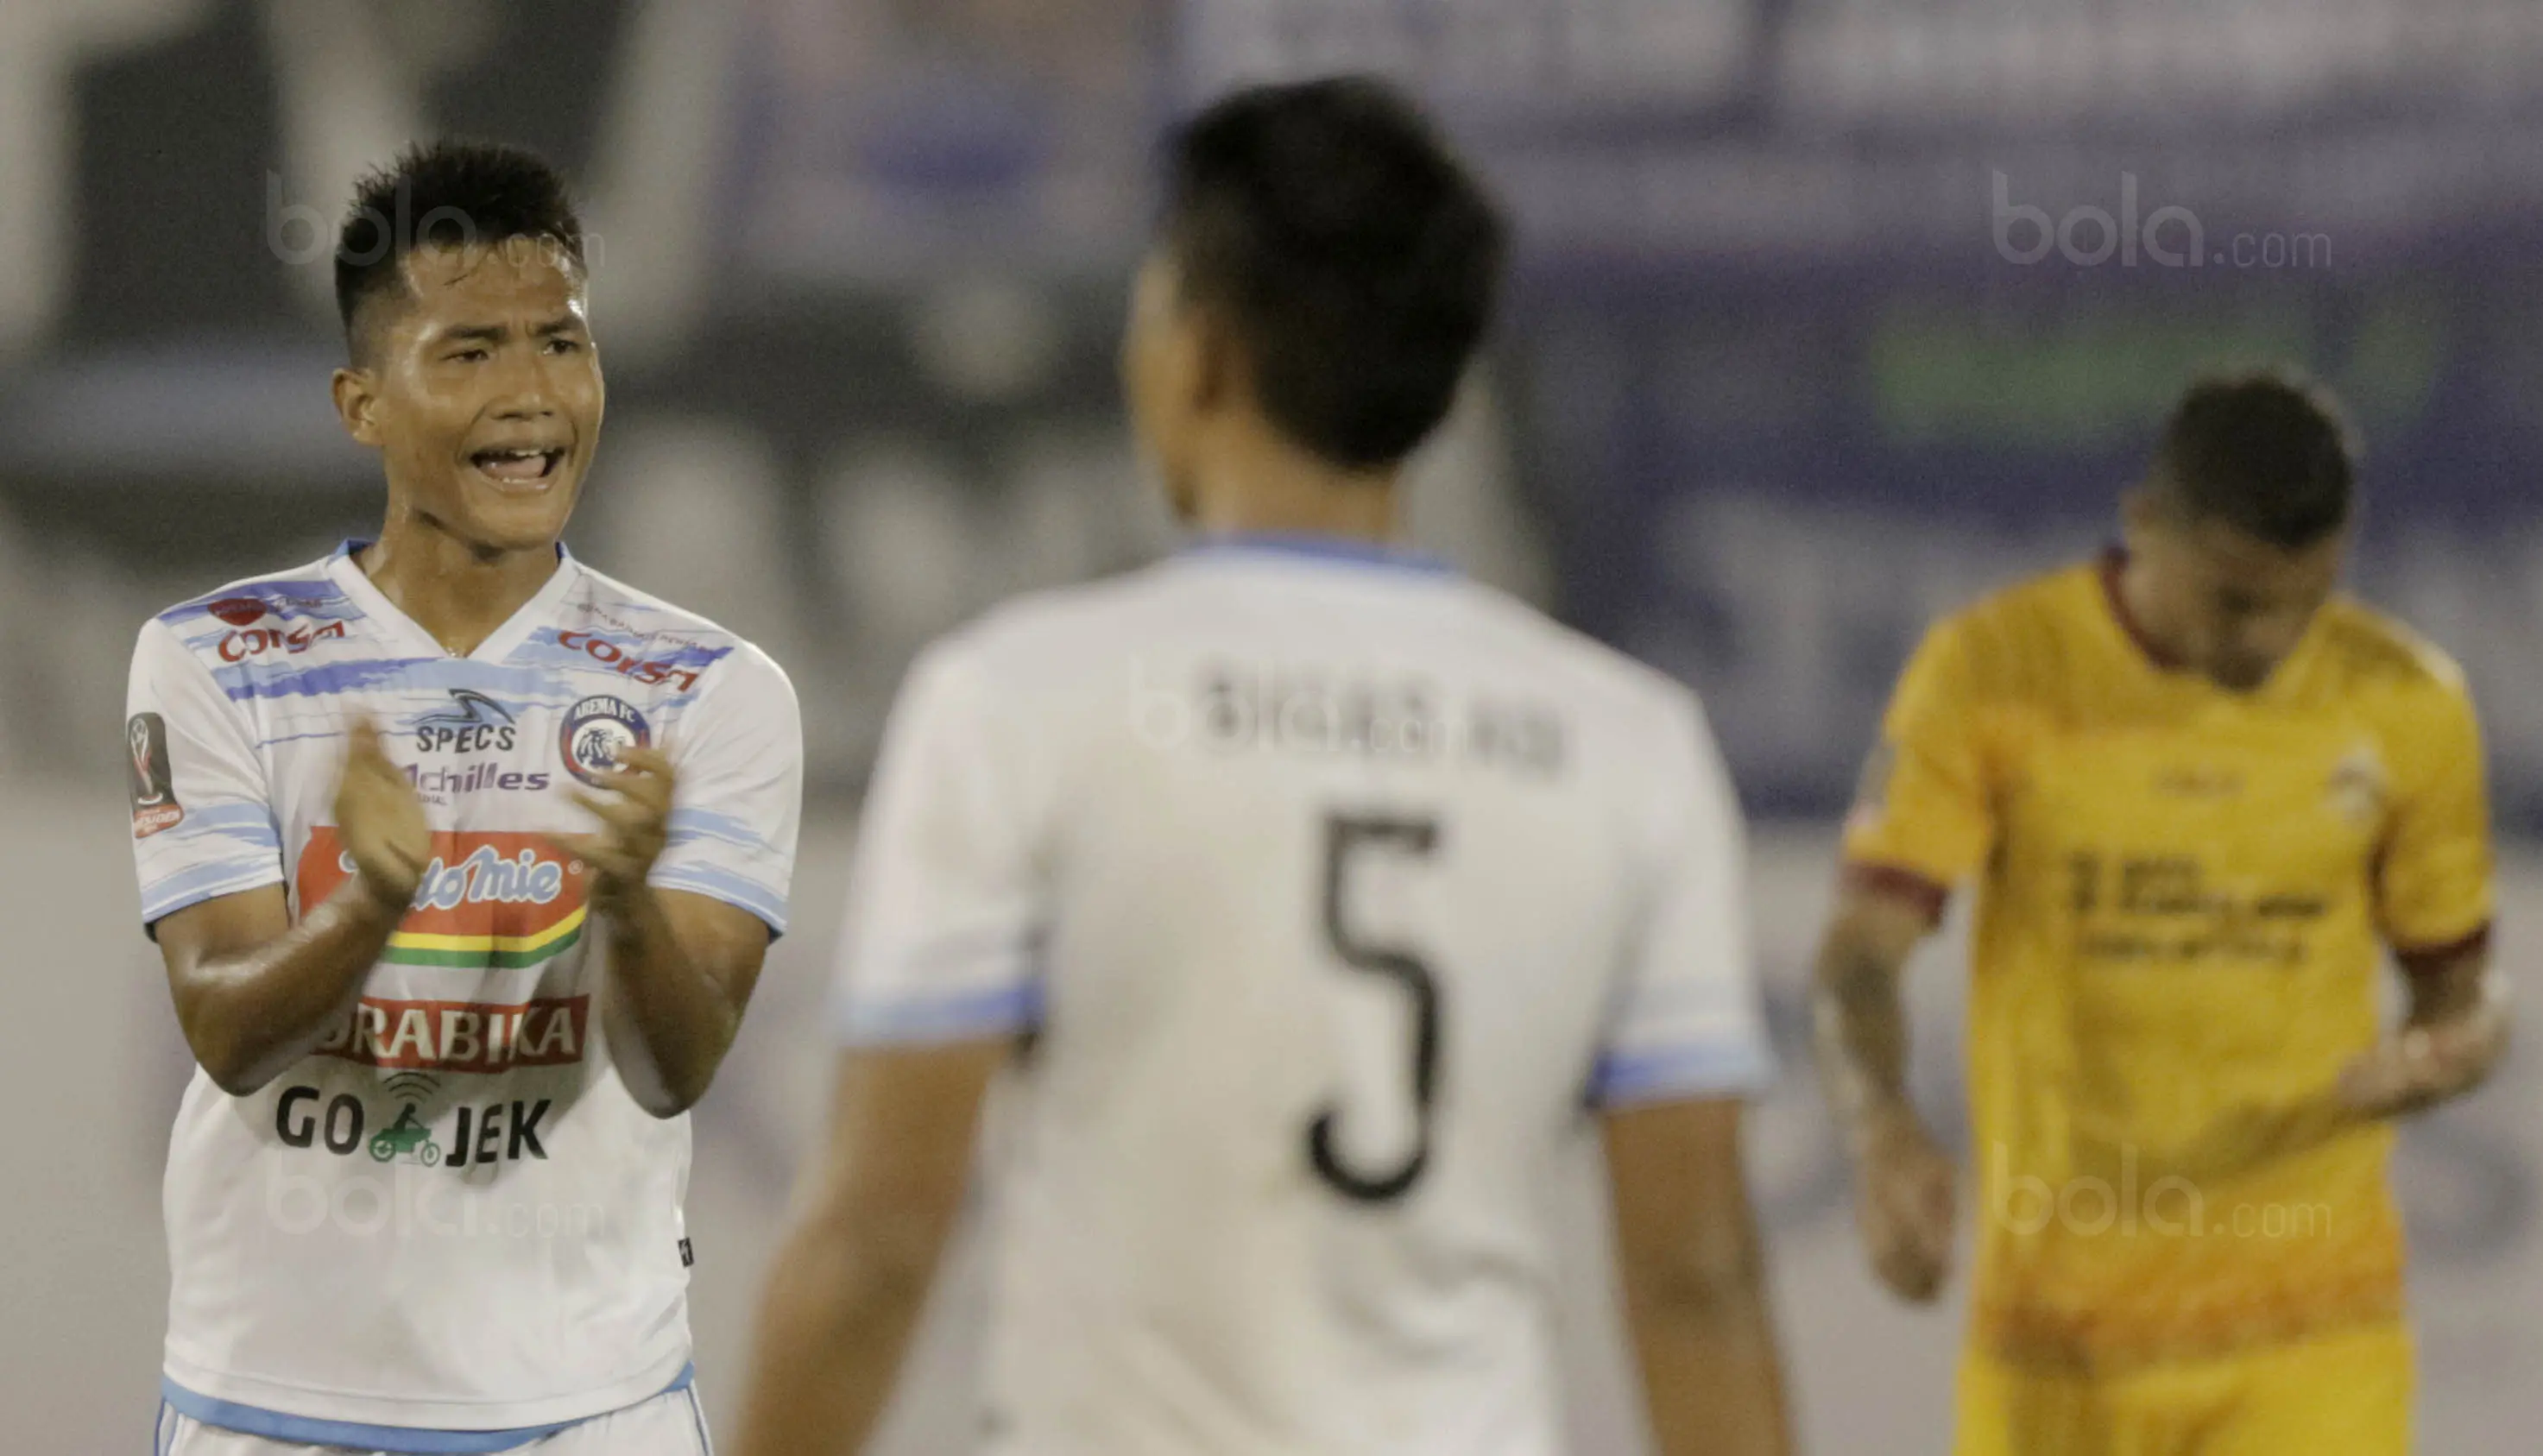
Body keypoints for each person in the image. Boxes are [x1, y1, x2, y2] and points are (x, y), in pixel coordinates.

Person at [735, 77, 1792, 1456]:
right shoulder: (1630, 741)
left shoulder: (1014, 702)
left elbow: (877, 1239)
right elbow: (1696, 1273)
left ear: (1202, 351)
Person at [130, 141, 802, 1455]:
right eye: (471, 351)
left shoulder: (709, 687)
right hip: (278, 1402)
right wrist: (371, 899)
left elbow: (679, 1065)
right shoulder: (214, 655)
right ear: (361, 402)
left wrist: (628, 907)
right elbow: (225, 1027)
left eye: (561, 343)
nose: (534, 394)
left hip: (595, 1404)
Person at [1813, 369, 2508, 1454]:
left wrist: (2458, 1048)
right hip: (2059, 1339)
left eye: (2308, 597)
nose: (2272, 637)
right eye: (2235, 598)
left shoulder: (2408, 702)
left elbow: (2463, 993)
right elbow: (1860, 953)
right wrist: (1880, 1128)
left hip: (2313, 1341)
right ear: (2143, 523)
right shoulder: (1995, 669)